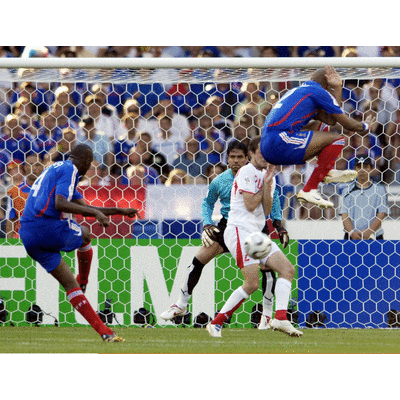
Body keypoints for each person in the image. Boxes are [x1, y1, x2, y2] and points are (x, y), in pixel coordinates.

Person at [19, 144, 140, 343]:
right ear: (85, 162)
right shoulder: (70, 169)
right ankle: (83, 279)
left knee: (70, 285)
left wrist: (120, 211)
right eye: (89, 164)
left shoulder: (57, 170)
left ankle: (105, 332)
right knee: (85, 233)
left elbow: (87, 208)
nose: (88, 169)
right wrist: (96, 214)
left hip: (28, 235)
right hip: (45, 226)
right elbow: (60, 203)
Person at [207, 137, 302, 338]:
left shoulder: (268, 176)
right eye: (261, 151)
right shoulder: (246, 171)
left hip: (255, 234)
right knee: (252, 283)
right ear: (251, 154)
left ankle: (281, 318)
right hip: (239, 230)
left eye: (267, 152)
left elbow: (266, 209)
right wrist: (264, 185)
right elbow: (250, 205)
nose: (265, 156)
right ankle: (216, 323)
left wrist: (267, 183)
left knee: (287, 270)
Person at [261, 66, 376, 209]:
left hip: (269, 142)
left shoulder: (299, 91)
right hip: (279, 141)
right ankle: (309, 189)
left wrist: (337, 89)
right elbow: (346, 122)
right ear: (327, 84)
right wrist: (365, 126)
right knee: (337, 139)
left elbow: (331, 120)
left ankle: (325, 171)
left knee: (321, 126)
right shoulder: (318, 91)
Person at [340, 155, 388, 240]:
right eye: (359, 167)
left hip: (374, 236)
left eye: (365, 167)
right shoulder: (347, 190)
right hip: (352, 236)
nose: (362, 170)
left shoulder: (380, 190)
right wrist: (352, 233)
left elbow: (382, 214)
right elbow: (344, 215)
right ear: (355, 169)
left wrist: (369, 231)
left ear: (371, 168)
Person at [6, 154, 44, 238]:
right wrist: (8, 243)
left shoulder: (51, 189)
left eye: (37, 165)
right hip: (22, 237)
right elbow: (10, 220)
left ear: (42, 167)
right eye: (30, 165)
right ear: (25, 168)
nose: (34, 168)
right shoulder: (14, 191)